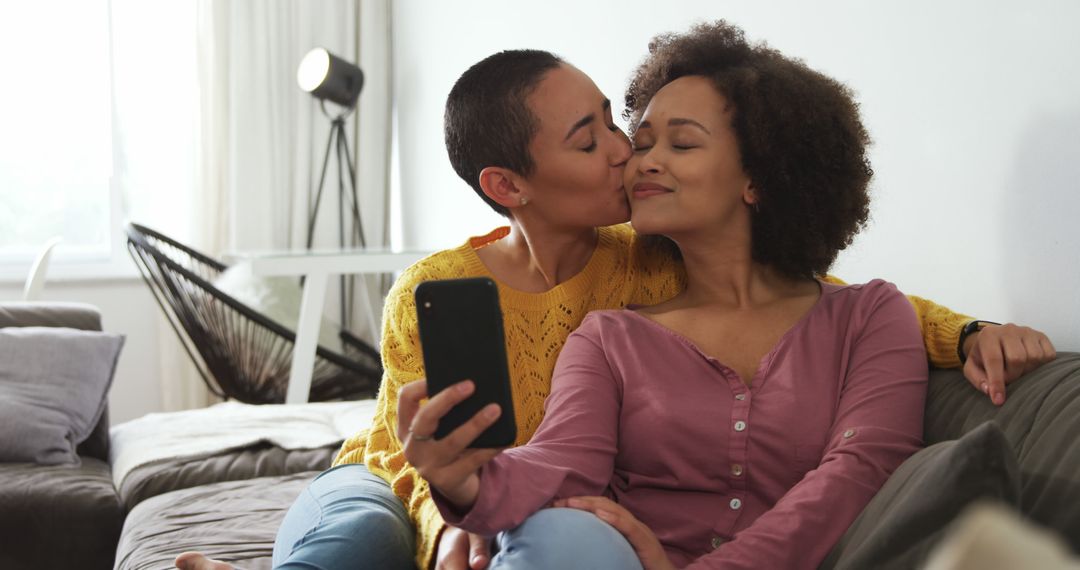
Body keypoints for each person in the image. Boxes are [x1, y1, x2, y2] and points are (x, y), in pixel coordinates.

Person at [176, 44, 1056, 570]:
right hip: (388, 474)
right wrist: (456, 497)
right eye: (601, 137)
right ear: (508, 185)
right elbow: (550, 458)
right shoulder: (478, 299)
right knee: (359, 538)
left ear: (759, 177)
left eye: (626, 128)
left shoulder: (654, 266)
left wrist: (971, 331)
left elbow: (833, 304)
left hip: (598, 531)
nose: (630, 156)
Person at [401, 19, 924, 569]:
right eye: (644, 142)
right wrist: (465, 481)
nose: (640, 161)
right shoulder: (608, 337)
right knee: (556, 533)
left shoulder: (870, 315)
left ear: (760, 177)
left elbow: (861, 468)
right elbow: (560, 459)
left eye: (682, 143)